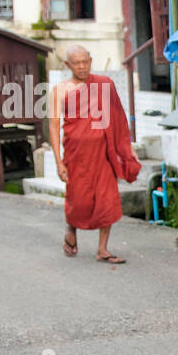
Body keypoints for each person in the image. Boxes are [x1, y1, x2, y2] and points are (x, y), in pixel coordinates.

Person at [49, 45, 140, 263]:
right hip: (76, 155)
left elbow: (118, 119)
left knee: (107, 200)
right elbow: (53, 126)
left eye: (85, 61)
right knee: (78, 199)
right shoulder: (60, 91)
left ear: (90, 61)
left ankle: (103, 250)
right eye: (76, 63)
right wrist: (58, 162)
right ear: (67, 65)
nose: (82, 67)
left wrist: (128, 149)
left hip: (104, 153)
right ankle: (71, 228)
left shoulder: (104, 85)